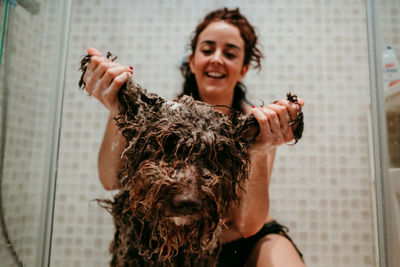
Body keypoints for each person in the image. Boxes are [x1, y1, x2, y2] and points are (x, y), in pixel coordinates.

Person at [82, 8, 305, 267]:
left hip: (242, 243)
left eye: (230, 53)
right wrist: (118, 111)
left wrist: (259, 149)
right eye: (208, 50)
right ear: (192, 60)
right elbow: (111, 180)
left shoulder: (258, 126)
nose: (217, 59)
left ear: (243, 69)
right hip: (176, 249)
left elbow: (246, 225)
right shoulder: (162, 121)